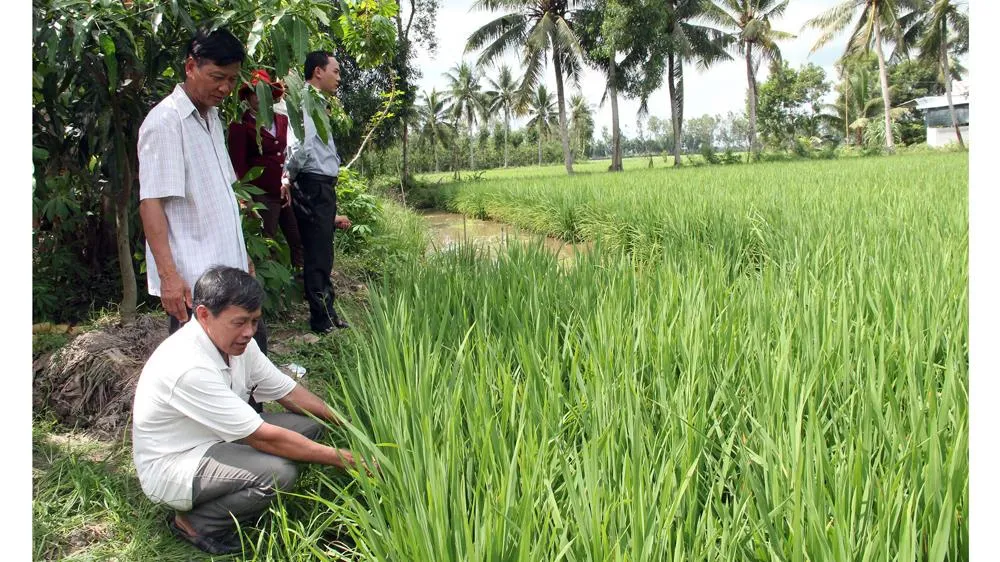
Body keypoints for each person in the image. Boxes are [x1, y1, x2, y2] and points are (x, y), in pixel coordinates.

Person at [132, 266, 369, 555]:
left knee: (310, 425)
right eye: (240, 322)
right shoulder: (188, 366)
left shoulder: (237, 344)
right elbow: (263, 438)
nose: (249, 332)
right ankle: (196, 523)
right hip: (178, 461)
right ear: (205, 315)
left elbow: (289, 392)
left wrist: (349, 423)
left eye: (255, 321)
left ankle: (237, 492)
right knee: (278, 473)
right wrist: (345, 459)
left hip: (218, 437)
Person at [137, 27, 268, 354]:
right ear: (190, 66)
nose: (225, 88)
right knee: (206, 382)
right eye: (217, 77)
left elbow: (222, 194)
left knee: (249, 370)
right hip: (200, 289)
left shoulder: (211, 119)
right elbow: (151, 203)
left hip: (232, 278)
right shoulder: (165, 123)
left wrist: (243, 254)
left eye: (233, 79)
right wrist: (169, 277)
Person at [284, 50, 353, 334]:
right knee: (317, 253)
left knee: (323, 252)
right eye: (335, 71)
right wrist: (290, 176)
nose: (339, 77)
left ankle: (328, 311)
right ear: (317, 72)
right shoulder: (306, 102)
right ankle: (321, 319)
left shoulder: (317, 103)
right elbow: (302, 144)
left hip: (320, 184)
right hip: (312, 183)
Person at [227, 69, 304, 271]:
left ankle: (301, 281)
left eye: (265, 93)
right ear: (248, 96)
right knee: (266, 242)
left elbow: (287, 153)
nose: (260, 98)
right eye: (255, 93)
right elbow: (238, 166)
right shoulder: (241, 125)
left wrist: (285, 179)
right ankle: (267, 292)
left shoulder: (282, 120)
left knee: (296, 237)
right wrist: (246, 200)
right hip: (261, 196)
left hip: (282, 191)